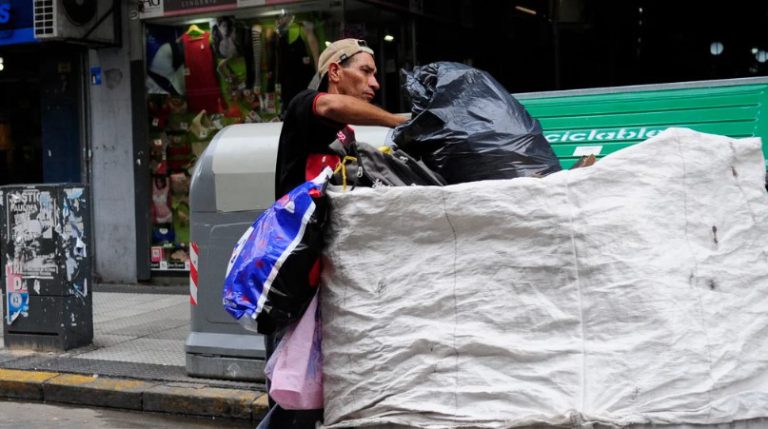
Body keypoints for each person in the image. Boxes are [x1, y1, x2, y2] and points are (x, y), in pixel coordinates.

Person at [259, 39, 407, 429]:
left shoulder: (346, 137)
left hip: (322, 278)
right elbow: (330, 105)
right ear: (336, 72)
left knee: (313, 394)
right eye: (365, 70)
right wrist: (395, 119)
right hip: (293, 279)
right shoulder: (306, 105)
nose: (374, 82)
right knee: (292, 394)